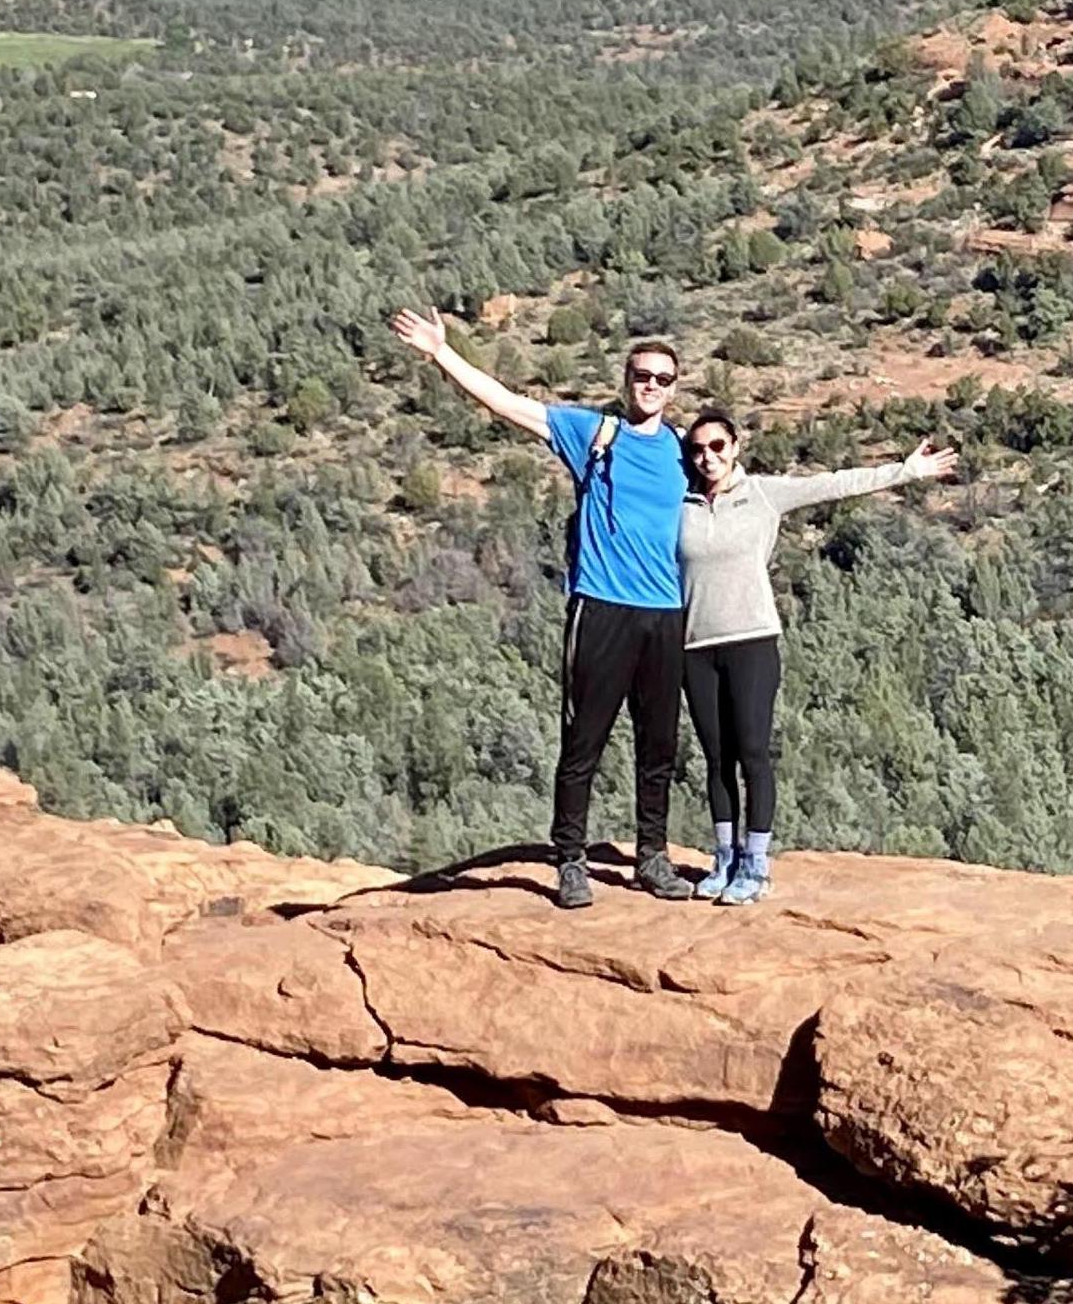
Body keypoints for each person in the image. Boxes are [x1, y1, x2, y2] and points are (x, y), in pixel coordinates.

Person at [388, 304, 695, 910]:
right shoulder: (594, 434)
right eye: (642, 375)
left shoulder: (685, 451)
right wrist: (443, 353)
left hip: (664, 613)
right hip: (602, 607)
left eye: (663, 379)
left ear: (674, 388)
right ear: (625, 380)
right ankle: (571, 861)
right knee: (584, 740)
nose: (651, 386)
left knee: (658, 742)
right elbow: (505, 403)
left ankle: (652, 857)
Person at [678, 411, 955, 904]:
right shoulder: (680, 503)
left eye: (718, 446)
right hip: (695, 645)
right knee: (716, 758)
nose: (709, 457)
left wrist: (905, 471)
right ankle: (724, 857)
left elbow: (833, 484)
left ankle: (756, 864)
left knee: (754, 754)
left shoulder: (762, 493)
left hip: (752, 640)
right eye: (698, 450)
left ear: (736, 446)